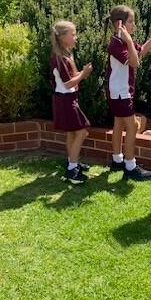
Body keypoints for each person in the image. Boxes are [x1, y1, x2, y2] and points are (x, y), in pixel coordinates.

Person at [105, 5, 151, 181]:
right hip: (121, 93)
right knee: (132, 126)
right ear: (120, 24)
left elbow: (141, 51)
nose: (134, 25)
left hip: (118, 92)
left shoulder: (122, 41)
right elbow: (135, 62)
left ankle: (117, 160)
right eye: (131, 22)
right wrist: (129, 41)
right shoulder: (117, 44)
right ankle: (130, 166)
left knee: (118, 124)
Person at [50, 20, 92, 184]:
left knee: (72, 132)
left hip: (67, 98)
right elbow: (68, 84)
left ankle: (71, 162)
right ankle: (72, 170)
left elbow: (70, 79)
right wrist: (83, 74)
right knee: (82, 132)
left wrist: (81, 73)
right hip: (66, 100)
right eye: (72, 34)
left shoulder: (66, 55)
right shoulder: (60, 59)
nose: (76, 37)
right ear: (62, 37)